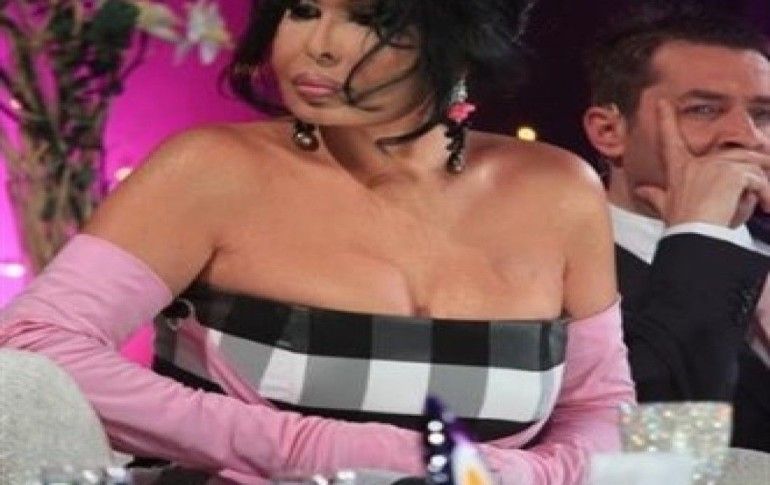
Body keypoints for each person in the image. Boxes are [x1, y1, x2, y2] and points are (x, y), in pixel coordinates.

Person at [0, 1, 633, 483]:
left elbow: (599, 406)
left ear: (466, 36)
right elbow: (36, 345)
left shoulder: (559, 189)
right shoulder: (213, 169)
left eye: (369, 19)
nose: (317, 47)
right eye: (302, 9)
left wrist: (521, 475)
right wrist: (317, 448)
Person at [582, 2, 770, 451]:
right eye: (703, 110)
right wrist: (702, 235)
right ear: (609, 131)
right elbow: (651, 451)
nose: (747, 136)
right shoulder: (559, 273)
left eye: (763, 114)